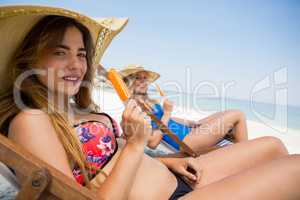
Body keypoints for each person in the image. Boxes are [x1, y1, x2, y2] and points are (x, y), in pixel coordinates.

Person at [1, 5, 300, 200]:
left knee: (272, 145)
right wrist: (134, 145)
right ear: (30, 59)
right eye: (60, 52)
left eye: (81, 54)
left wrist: (170, 160)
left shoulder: (73, 109)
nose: (76, 64)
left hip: (173, 176)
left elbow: (113, 156)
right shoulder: (31, 119)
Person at [120, 65, 248, 154]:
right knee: (238, 114)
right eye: (138, 78)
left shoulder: (146, 101)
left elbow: (168, 120)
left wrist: (191, 123)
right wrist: (167, 113)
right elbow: (153, 142)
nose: (144, 81)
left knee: (225, 114)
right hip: (185, 141)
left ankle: (240, 151)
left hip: (186, 131)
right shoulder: (134, 108)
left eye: (145, 78)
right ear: (128, 82)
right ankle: (244, 155)